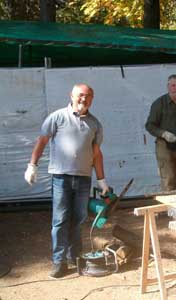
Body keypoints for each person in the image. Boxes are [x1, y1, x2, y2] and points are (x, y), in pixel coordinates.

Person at [24, 83, 109, 278]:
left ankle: (75, 257)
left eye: (88, 96)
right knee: (60, 220)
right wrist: (32, 165)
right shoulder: (57, 117)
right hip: (60, 178)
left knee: (78, 219)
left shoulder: (95, 124)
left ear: (92, 99)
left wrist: (102, 180)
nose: (83, 99)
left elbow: (96, 154)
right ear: (71, 96)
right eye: (80, 95)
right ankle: (59, 262)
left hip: (83, 179)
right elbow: (42, 141)